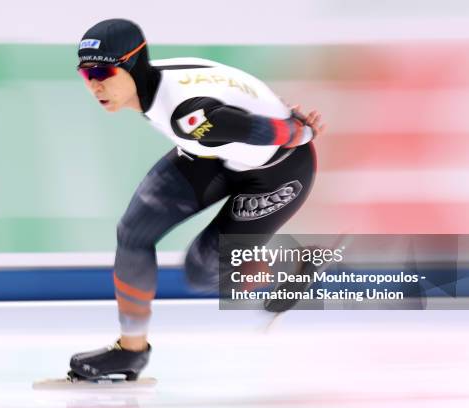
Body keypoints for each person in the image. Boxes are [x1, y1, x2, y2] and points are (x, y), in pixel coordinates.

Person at [68, 18, 325, 381]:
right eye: (85, 75)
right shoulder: (162, 79)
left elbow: (268, 132)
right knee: (133, 232)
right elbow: (233, 87)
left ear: (132, 63)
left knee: (203, 272)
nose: (95, 85)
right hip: (214, 153)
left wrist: (301, 128)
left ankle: (293, 266)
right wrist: (276, 105)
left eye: (103, 71)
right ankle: (130, 352)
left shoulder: (185, 115)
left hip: (278, 171)